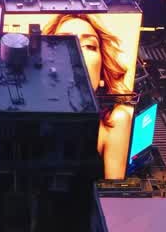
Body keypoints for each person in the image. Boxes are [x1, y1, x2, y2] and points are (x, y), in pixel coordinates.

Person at [43, 14, 134, 178]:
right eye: (65, 43)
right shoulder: (30, 111)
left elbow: (111, 199)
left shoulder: (113, 121)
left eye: (90, 46)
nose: (77, 50)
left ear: (101, 72)